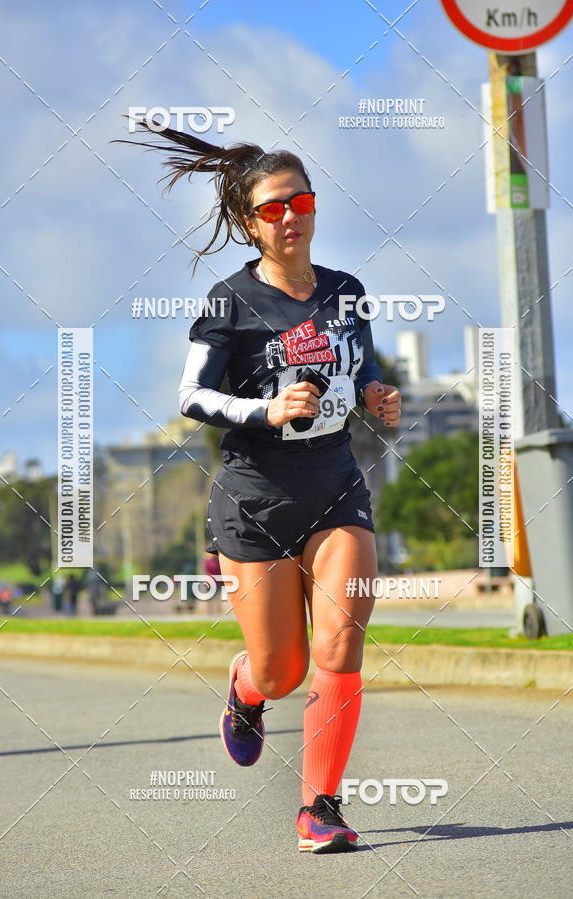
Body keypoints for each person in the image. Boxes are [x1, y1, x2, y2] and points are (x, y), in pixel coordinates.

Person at [120, 123, 401, 853]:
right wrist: (264, 408)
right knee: (284, 668)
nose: (290, 216)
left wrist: (376, 395)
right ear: (250, 222)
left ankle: (320, 808)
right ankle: (247, 690)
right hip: (254, 499)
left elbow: (359, 369)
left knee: (342, 637)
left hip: (337, 488)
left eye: (299, 200)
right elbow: (191, 396)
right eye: (273, 207)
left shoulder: (348, 292)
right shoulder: (228, 301)